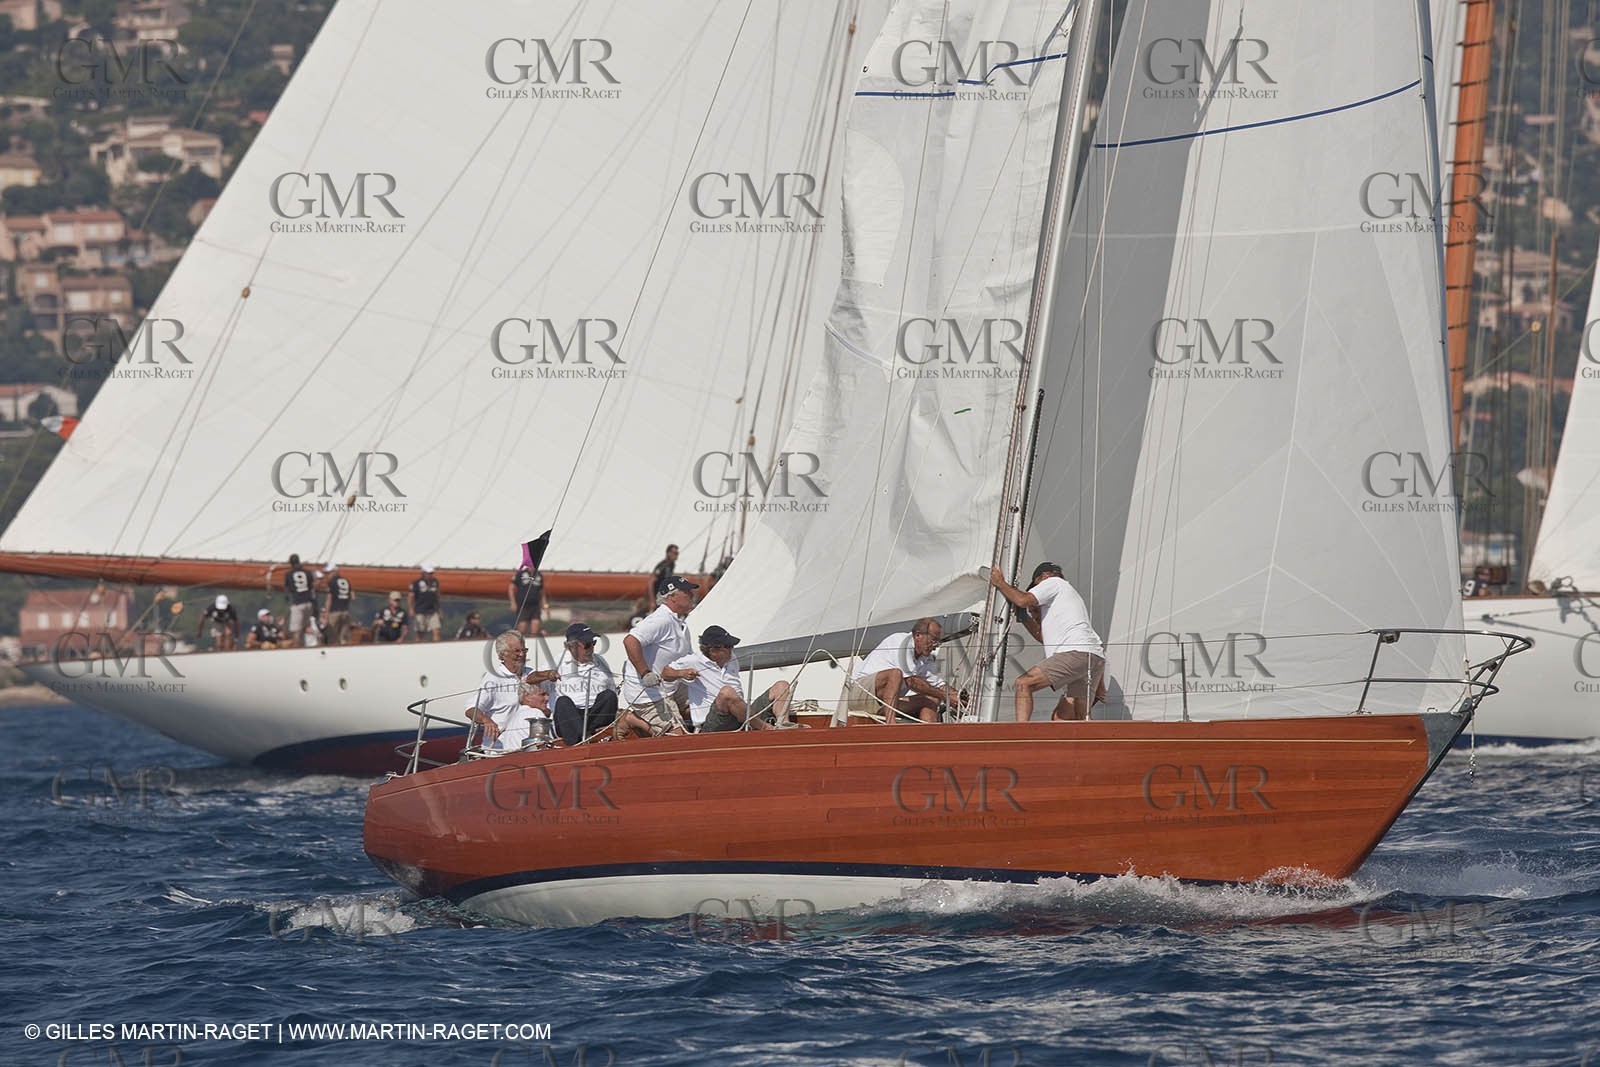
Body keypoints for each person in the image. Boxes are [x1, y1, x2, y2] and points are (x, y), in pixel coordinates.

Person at [989, 562, 1105, 721]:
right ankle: (1090, 744)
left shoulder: (1052, 582)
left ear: (1043, 577)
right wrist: (1023, 617)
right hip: (1092, 656)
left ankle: (1020, 735)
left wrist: (1000, 583)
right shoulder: (1066, 597)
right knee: (1072, 716)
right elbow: (1042, 636)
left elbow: (1022, 600)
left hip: (1074, 652)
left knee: (1024, 683)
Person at [665, 624, 788, 733]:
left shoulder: (731, 659)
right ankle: (765, 729)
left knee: (781, 686)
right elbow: (665, 673)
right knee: (726, 693)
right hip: (716, 722)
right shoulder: (693, 661)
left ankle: (785, 725)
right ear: (713, 650)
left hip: (742, 716)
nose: (732, 649)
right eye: (728, 646)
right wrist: (681, 673)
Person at [618, 574, 697, 737]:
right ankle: (631, 719)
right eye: (687, 592)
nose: (692, 595)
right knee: (678, 737)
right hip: (649, 692)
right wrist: (645, 673)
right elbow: (630, 641)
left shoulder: (679, 621)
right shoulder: (661, 619)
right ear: (672, 597)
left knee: (705, 707)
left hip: (673, 685)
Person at [846, 618, 965, 724]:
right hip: (860, 696)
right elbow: (911, 682)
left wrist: (958, 697)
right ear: (918, 636)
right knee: (895, 674)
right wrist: (947, 697)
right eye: (933, 640)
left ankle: (929, 735)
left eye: (937, 642)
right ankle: (890, 725)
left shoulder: (925, 658)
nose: (935, 646)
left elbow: (939, 685)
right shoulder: (900, 642)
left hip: (883, 704)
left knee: (932, 699)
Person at [545, 622, 618, 745]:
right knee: (563, 702)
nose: (592, 648)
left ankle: (591, 736)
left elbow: (613, 689)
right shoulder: (557, 661)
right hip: (570, 715)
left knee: (609, 696)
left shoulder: (600, 661)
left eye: (593, 643)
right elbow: (531, 679)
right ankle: (581, 740)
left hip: (593, 715)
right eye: (587, 645)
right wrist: (547, 675)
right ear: (571, 646)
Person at [464, 631, 533, 752]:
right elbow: (470, 709)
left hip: (529, 746)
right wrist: (486, 720)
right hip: (500, 749)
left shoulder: (532, 674)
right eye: (517, 651)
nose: (522, 655)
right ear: (502, 655)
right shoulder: (494, 678)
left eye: (524, 650)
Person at [284, 553, 316, 646]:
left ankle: (297, 649)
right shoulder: (307, 572)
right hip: (309, 603)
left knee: (296, 630)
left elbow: (287, 588)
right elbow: (312, 586)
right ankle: (305, 645)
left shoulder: (289, 574)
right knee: (305, 627)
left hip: (298, 603)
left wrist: (286, 597)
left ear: (291, 563)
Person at [509, 563, 546, 636]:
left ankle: (533, 639)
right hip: (523, 604)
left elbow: (542, 591)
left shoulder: (538, 575)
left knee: (536, 624)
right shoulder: (520, 574)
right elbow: (511, 588)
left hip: (535, 605)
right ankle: (519, 639)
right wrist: (513, 603)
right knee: (522, 626)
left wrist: (545, 605)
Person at [409, 562, 442, 642]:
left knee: (436, 630)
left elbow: (437, 595)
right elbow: (411, 596)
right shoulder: (416, 583)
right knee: (420, 632)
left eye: (431, 573)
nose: (430, 575)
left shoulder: (435, 582)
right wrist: (411, 608)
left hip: (432, 610)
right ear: (423, 573)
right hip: (420, 610)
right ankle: (418, 647)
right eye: (428, 573)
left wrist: (439, 608)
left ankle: (436, 647)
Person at [322, 563, 353, 646]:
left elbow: (329, 599)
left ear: (334, 572)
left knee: (332, 637)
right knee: (343, 638)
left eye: (329, 573)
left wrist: (326, 616)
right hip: (345, 612)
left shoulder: (331, 582)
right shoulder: (346, 581)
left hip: (334, 612)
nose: (327, 575)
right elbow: (352, 596)